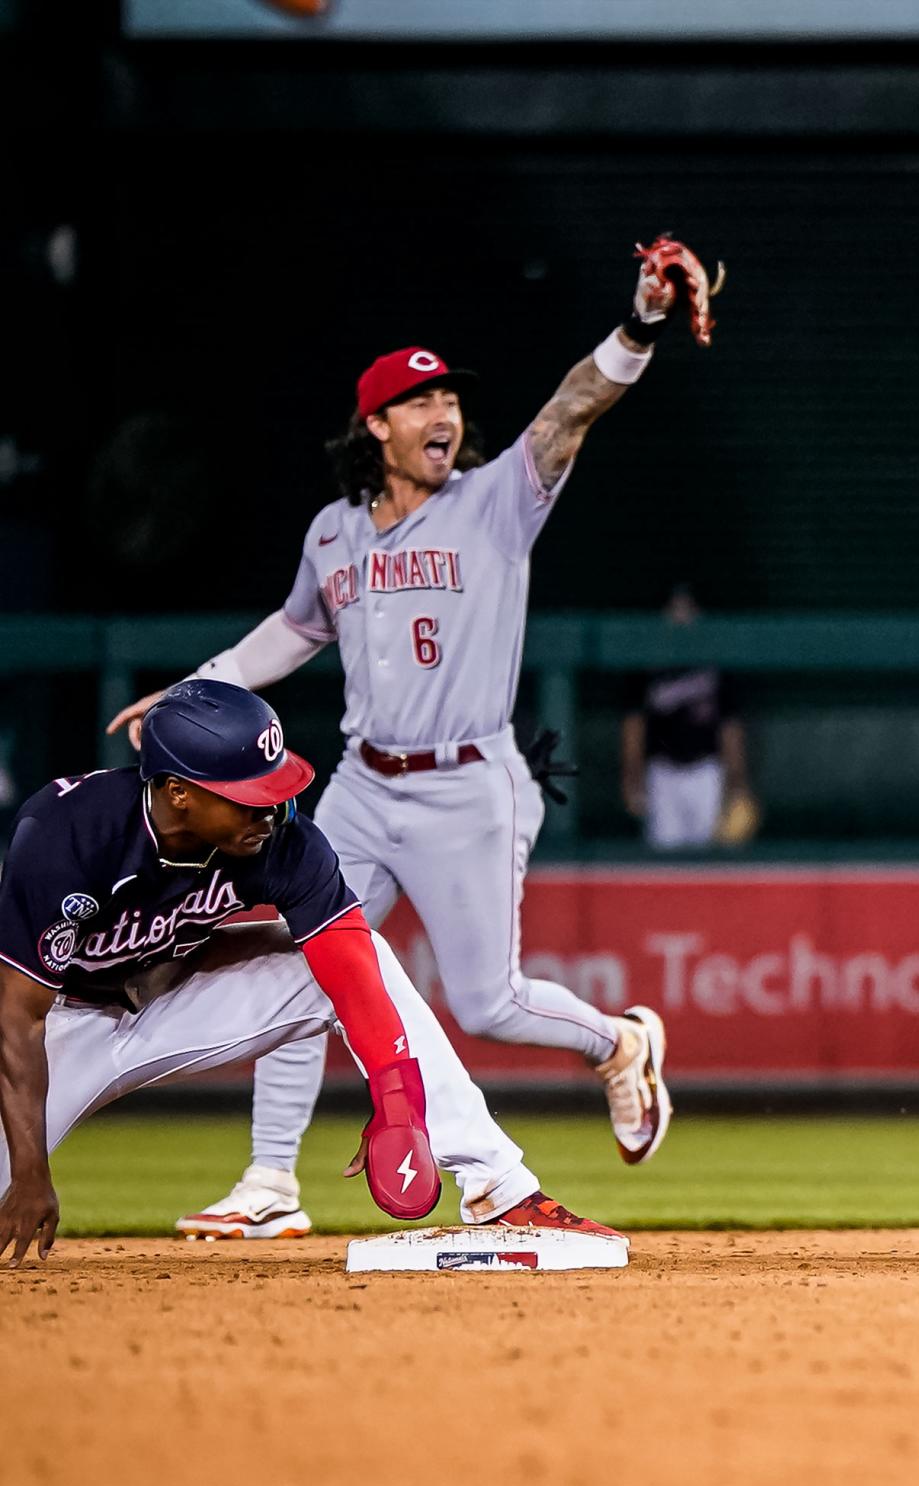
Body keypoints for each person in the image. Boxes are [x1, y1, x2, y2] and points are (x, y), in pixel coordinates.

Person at [107, 236, 717, 1240]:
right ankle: (269, 1182)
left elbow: (571, 409)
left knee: (485, 1003)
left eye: (452, 402)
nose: (446, 416)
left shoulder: (496, 502)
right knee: (311, 957)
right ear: (376, 425)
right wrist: (197, 684)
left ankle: (617, 1040)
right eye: (422, 403)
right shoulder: (333, 532)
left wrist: (639, 323)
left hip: (466, 783)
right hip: (360, 782)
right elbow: (293, 632)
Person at [0, 682, 617, 1266]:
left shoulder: (282, 836)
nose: (270, 807)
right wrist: (30, 1171)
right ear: (177, 791)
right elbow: (16, 1018)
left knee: (364, 954)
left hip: (176, 994)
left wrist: (396, 1101)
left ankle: (499, 1190)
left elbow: (349, 965)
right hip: (56, 1026)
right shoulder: (67, 831)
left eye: (274, 784)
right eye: (247, 793)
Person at [620, 588, 759, 848]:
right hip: (662, 772)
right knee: (662, 859)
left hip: (706, 771)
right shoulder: (647, 662)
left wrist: (737, 780)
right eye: (675, 610)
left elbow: (730, 727)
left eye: (687, 610)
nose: (681, 618)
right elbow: (634, 724)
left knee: (708, 860)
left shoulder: (716, 661)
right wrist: (632, 774)